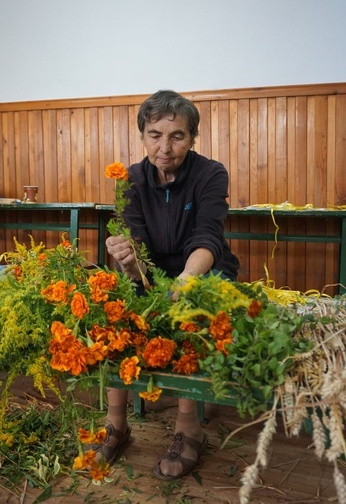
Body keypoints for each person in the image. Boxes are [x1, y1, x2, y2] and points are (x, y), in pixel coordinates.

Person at [93, 90, 239, 480]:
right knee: (114, 311)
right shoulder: (132, 179)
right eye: (155, 134)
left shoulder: (211, 173)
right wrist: (126, 257)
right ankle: (116, 424)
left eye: (177, 136)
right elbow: (136, 244)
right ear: (142, 135)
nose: (165, 147)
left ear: (192, 138)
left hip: (202, 268)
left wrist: (187, 282)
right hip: (151, 271)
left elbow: (208, 237)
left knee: (189, 317)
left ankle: (188, 429)